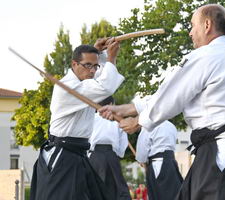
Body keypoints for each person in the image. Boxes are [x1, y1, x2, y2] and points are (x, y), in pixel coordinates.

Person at [99, 4, 225, 200]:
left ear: (207, 25)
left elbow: (172, 96)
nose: (190, 32)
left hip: (221, 149)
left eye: (193, 25)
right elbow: (175, 93)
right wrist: (126, 108)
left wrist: (138, 121)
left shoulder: (206, 56)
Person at [30, 38, 125, 200]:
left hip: (79, 153)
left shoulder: (83, 85)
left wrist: (99, 55)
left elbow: (100, 80)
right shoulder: (68, 87)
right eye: (88, 65)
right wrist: (110, 58)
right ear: (74, 64)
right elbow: (105, 87)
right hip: (63, 153)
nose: (92, 70)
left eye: (95, 66)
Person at [134, 97, 183, 200]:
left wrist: (141, 160)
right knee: (175, 195)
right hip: (171, 162)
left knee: (158, 195)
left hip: (157, 164)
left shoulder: (149, 126)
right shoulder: (171, 126)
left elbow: (142, 148)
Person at [88, 96, 131, 200]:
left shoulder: (90, 119)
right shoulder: (117, 120)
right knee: (116, 189)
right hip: (111, 154)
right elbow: (123, 142)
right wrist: (118, 154)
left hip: (94, 156)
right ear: (111, 105)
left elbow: (85, 138)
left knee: (94, 188)